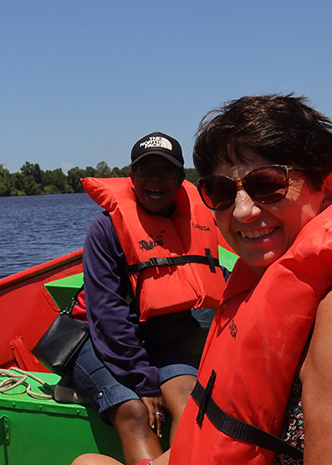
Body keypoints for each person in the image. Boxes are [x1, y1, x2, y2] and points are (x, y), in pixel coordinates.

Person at [77, 94, 332, 465]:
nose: (242, 212)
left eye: (267, 185)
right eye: (221, 191)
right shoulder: (271, 280)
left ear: (327, 190)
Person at [69, 132, 227, 465]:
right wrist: (144, 381)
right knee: (135, 412)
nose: (155, 179)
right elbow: (108, 315)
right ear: (132, 176)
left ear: (182, 179)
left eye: (165, 171)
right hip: (97, 340)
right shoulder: (106, 228)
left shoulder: (197, 221)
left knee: (190, 403)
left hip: (161, 336)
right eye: (145, 170)